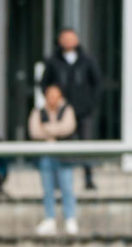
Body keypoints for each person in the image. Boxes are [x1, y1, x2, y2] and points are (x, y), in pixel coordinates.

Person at [41, 28, 102, 190]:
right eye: (65, 38)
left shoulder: (87, 60)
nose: (68, 41)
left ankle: (88, 178)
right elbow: (45, 84)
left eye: (71, 38)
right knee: (60, 147)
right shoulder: (53, 61)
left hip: (83, 111)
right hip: (61, 111)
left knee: (85, 145)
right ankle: (58, 182)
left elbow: (97, 84)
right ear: (60, 41)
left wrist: (90, 104)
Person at [29, 84, 78, 236]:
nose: (52, 99)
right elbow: (34, 131)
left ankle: (70, 219)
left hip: (64, 156)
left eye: (55, 95)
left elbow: (68, 127)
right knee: (47, 189)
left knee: (67, 188)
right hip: (46, 155)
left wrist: (47, 129)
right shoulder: (38, 111)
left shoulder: (67, 110)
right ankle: (50, 219)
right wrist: (56, 130)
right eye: (49, 95)